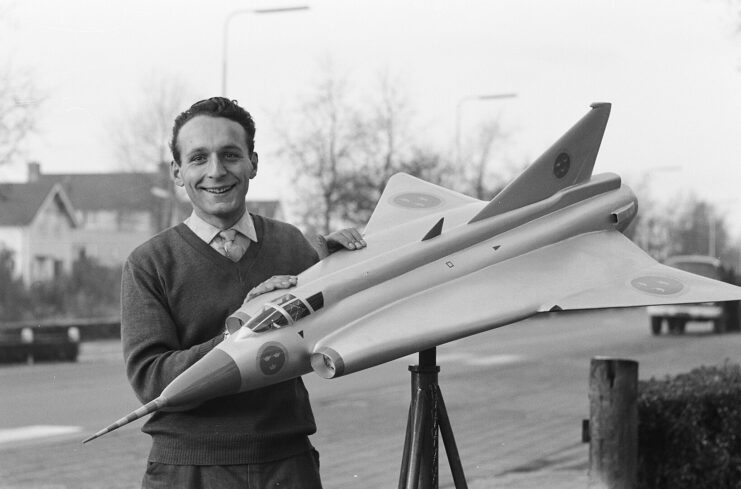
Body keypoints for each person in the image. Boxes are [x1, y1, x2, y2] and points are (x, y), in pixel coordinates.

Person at [121, 97, 366, 489]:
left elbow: (330, 336)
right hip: (189, 471)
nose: (216, 172)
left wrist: (338, 268)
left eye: (230, 155)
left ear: (253, 162)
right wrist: (244, 330)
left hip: (286, 462)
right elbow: (152, 381)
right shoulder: (149, 263)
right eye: (199, 158)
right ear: (177, 172)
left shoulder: (291, 244)